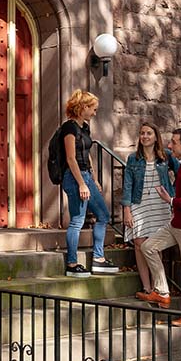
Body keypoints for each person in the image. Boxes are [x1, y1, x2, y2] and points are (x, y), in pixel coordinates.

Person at [137, 128, 181, 326]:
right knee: (148, 247)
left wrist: (171, 200)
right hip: (176, 225)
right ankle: (162, 292)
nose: (170, 145)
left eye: (174, 143)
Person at [60, 89, 118, 278]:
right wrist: (82, 184)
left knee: (103, 215)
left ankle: (98, 259)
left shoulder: (84, 127)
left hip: (85, 176)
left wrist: (93, 180)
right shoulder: (69, 128)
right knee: (77, 220)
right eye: (93, 109)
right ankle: (72, 263)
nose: (94, 113)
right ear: (83, 107)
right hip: (73, 176)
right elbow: (70, 158)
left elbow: (87, 155)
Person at [121, 123, 179, 297]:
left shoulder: (166, 156)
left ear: (156, 137)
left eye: (149, 133)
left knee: (155, 246)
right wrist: (126, 209)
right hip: (139, 202)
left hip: (160, 204)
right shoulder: (133, 158)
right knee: (139, 244)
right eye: (142, 133)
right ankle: (146, 286)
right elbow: (128, 185)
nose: (145, 136)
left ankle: (158, 287)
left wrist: (173, 194)